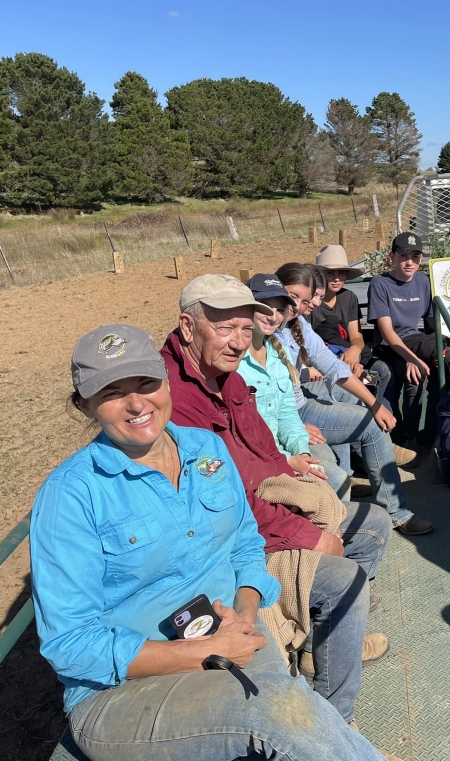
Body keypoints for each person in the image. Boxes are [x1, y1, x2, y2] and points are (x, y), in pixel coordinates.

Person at [31, 324, 389, 760]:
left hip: (230, 632)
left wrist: (243, 614)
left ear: (165, 379)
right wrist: (203, 650)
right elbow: (70, 643)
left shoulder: (206, 448)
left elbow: (245, 545)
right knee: (280, 710)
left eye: (145, 382)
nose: (136, 403)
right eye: (111, 392)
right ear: (85, 405)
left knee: (294, 711)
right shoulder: (70, 494)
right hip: (126, 688)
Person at [160, 274, 392, 724]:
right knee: (343, 575)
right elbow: (228, 501)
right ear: (188, 327)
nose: (237, 341)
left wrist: (295, 468)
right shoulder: (174, 400)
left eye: (246, 329)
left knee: (373, 525)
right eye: (225, 327)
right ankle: (330, 726)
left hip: (264, 508)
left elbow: (264, 450)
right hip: (231, 541)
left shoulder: (222, 374)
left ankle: (321, 640)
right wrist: (305, 531)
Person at [273, 264, 433, 536]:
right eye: (292, 298)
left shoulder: (296, 324)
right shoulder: (259, 332)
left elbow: (333, 368)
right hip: (287, 419)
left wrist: (375, 403)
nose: (299, 306)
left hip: (300, 406)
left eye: (304, 299)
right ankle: (353, 513)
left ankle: (391, 506)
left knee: (366, 413)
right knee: (343, 466)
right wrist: (294, 430)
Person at [237, 273, 351, 498]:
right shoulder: (235, 362)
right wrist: (289, 460)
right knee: (335, 481)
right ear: (247, 307)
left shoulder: (278, 356)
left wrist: (301, 450)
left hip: (284, 450)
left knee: (333, 476)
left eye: (279, 310)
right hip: (258, 463)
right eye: (265, 308)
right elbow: (244, 432)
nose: (273, 316)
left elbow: (287, 413)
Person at [367, 232, 450, 445]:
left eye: (415, 257)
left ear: (421, 259)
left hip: (417, 340)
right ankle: (411, 436)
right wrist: (412, 359)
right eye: (404, 256)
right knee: (420, 372)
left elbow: (433, 323)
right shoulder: (379, 283)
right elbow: (387, 332)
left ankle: (444, 430)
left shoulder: (424, 280)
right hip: (391, 345)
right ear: (392, 257)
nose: (409, 262)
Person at [311, 244, 394, 410]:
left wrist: (354, 352)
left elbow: (356, 336)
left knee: (383, 372)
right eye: (330, 273)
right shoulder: (311, 302)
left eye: (341, 273)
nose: (336, 278)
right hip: (323, 360)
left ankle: (385, 420)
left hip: (350, 355)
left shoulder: (349, 297)